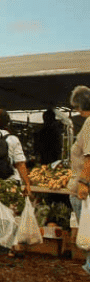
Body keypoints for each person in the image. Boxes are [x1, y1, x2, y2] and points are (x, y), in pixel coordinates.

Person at [67, 85, 90, 276]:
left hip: (85, 187)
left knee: (88, 231)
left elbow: (89, 156)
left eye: (76, 107)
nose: (77, 111)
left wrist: (84, 182)